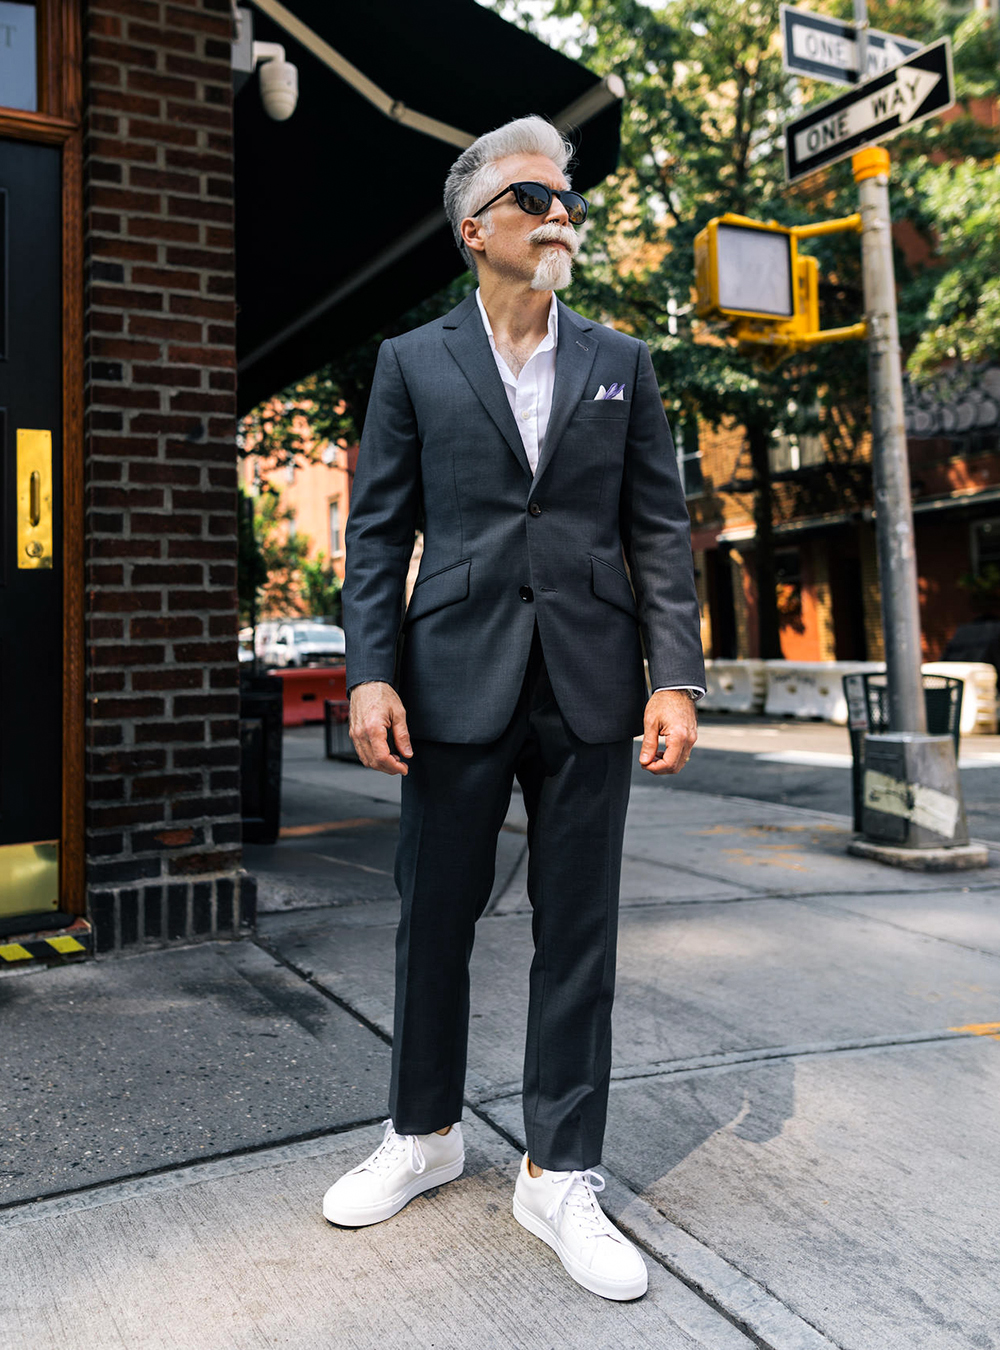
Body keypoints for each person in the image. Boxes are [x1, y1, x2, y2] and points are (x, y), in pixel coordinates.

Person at [324, 116, 705, 1302]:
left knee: (577, 932)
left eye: (568, 197)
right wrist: (370, 670)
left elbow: (658, 530)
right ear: (473, 226)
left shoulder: (620, 361)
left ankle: (559, 1169)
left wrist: (675, 676)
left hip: (591, 681)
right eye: (534, 196)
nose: (561, 214)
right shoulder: (412, 363)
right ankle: (424, 1134)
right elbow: (379, 530)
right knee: (432, 917)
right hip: (450, 676)